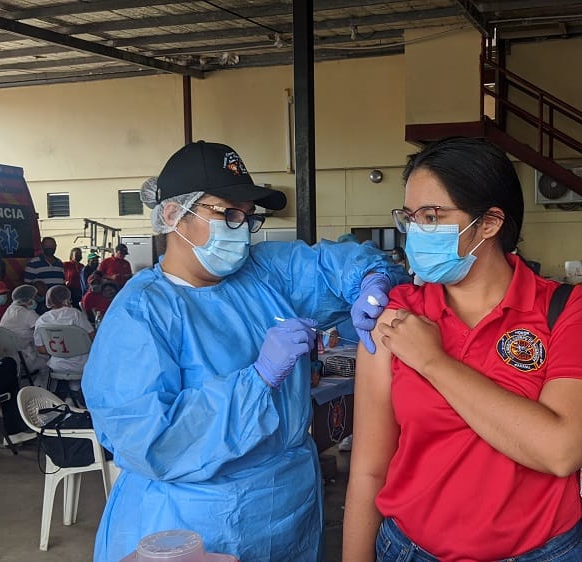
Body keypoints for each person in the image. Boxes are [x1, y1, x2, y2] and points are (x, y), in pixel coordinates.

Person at [82, 140, 408, 562]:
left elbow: (332, 265)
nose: (240, 228)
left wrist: (371, 281)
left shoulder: (261, 272)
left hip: (288, 507)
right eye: (227, 213)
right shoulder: (143, 312)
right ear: (172, 214)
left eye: (247, 217)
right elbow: (150, 439)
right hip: (193, 522)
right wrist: (258, 381)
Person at [341, 137, 582, 562]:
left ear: (489, 223)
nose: (415, 231)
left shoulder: (565, 310)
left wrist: (434, 362)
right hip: (410, 550)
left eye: (432, 216)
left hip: (543, 553)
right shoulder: (397, 319)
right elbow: (368, 470)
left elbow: (561, 450)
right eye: (409, 217)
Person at [34, 284, 95, 406]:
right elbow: (92, 338)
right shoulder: (75, 314)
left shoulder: (41, 320)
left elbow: (41, 349)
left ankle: (70, 395)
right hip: (82, 365)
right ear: (67, 298)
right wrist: (75, 348)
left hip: (57, 365)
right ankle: (80, 396)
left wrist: (61, 351)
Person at [0, 284, 48, 387]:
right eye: (34, 298)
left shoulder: (9, 310)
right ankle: (42, 392)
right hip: (23, 359)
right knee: (50, 362)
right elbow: (44, 334)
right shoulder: (28, 314)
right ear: (29, 299)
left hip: (7, 357)